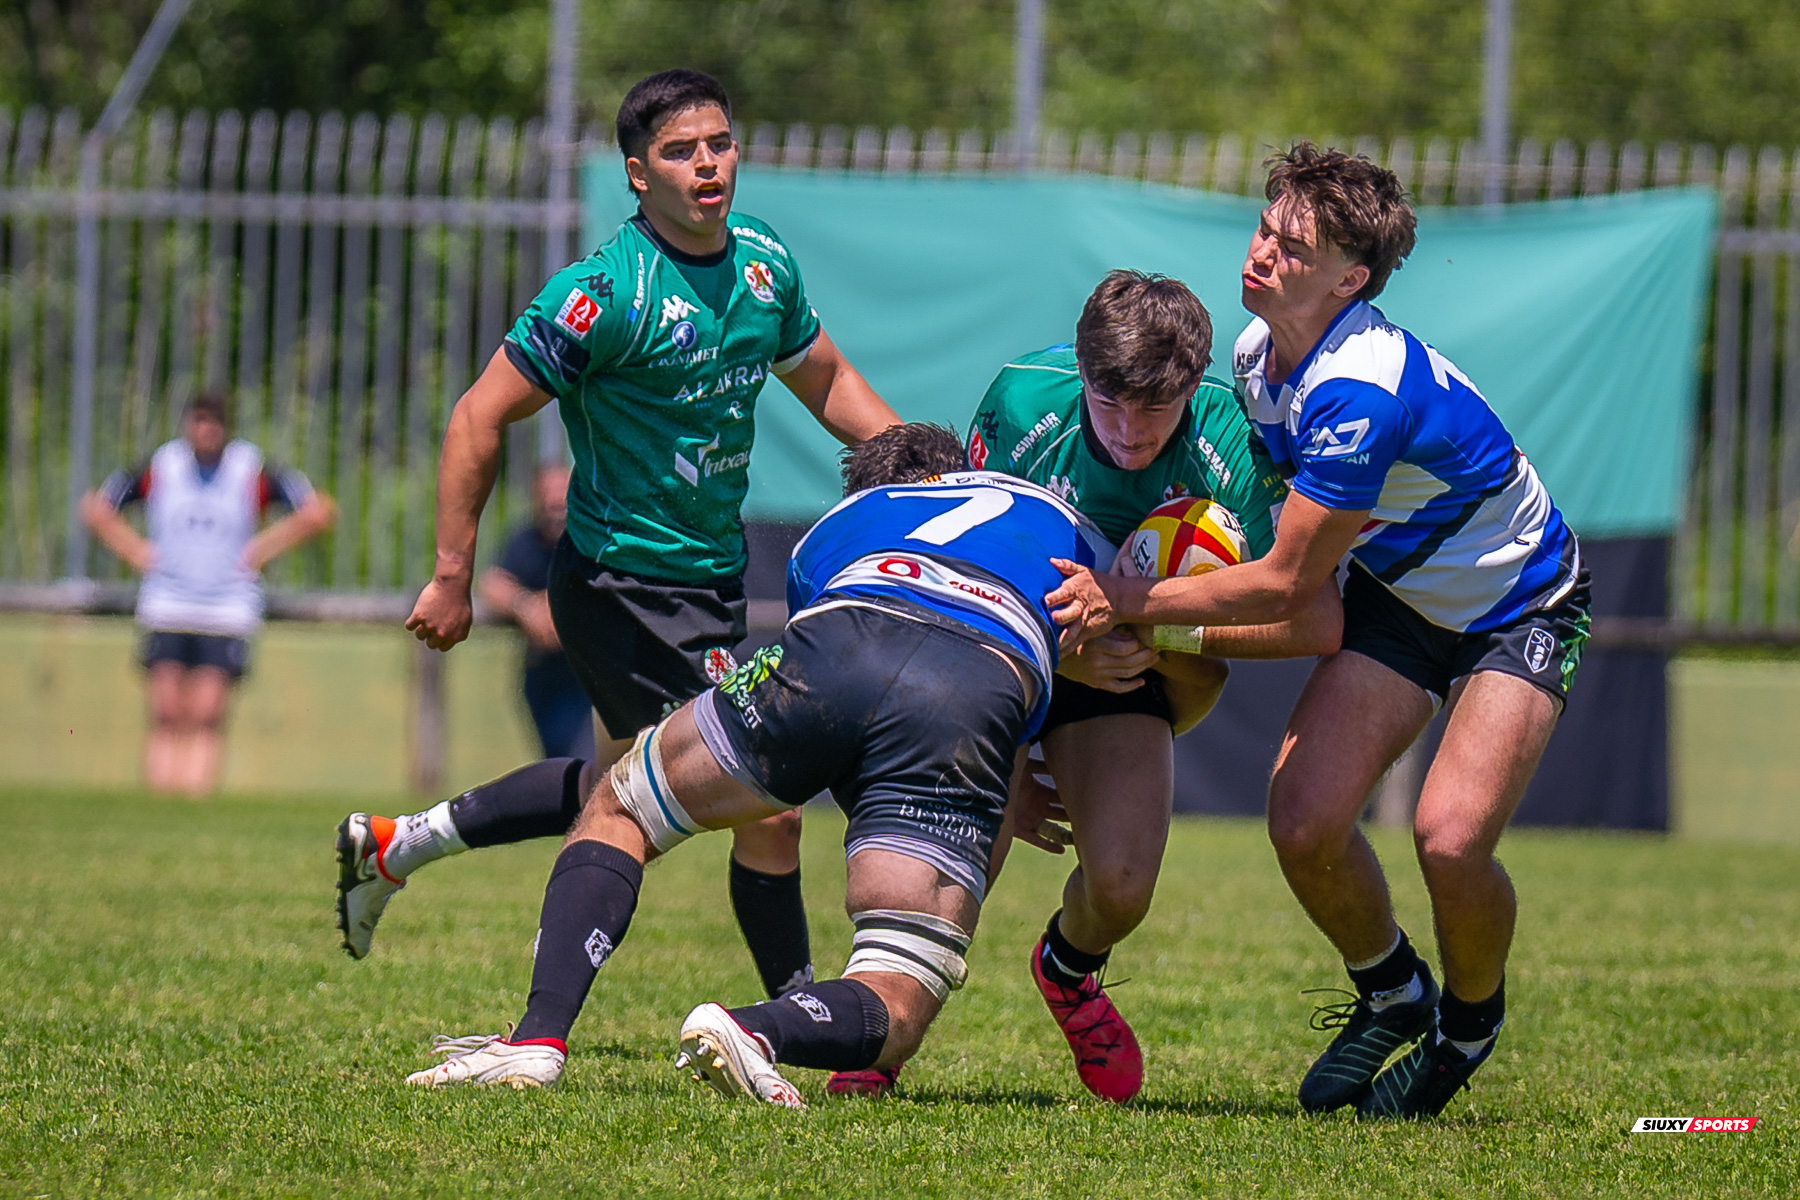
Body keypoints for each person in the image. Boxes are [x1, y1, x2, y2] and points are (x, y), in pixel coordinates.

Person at [334, 69, 899, 1019]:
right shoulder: (604, 292)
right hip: (621, 583)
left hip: (711, 574)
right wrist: (451, 576)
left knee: (617, 782)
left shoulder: (763, 266)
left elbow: (830, 379)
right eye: (681, 152)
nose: (707, 164)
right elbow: (477, 417)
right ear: (639, 175)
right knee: (764, 799)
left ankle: (396, 845)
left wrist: (920, 472)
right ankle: (792, 1019)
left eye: (718, 143)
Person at [1047, 143, 1590, 1119]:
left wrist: (1128, 602)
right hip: (1401, 595)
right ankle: (1391, 991)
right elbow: (1293, 570)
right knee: (1303, 823)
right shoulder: (1259, 359)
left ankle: (1466, 1026)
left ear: (1351, 280)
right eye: (1265, 228)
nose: (1261, 253)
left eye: (1292, 249)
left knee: (1450, 841)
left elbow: (1291, 581)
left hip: (1521, 602)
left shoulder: (1354, 393)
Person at [402, 423, 1111, 1099]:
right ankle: (753, 1028)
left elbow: (837, 671)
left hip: (841, 641)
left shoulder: (834, 531)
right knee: (898, 987)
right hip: (973, 691)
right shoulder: (1068, 524)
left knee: (622, 805)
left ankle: (537, 1039)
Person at [967, 269, 1341, 1102]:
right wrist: (1047, 683)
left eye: (1155, 409)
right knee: (960, 860)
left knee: (1123, 889)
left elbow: (1317, 623)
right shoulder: (1023, 401)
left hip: (1133, 665)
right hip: (1013, 656)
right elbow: (963, 581)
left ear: (1191, 385)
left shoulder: (1232, 440)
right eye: (1110, 404)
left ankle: (1067, 970)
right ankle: (875, 1028)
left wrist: (1139, 624)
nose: (1131, 433)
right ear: (1083, 370)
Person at [79, 393, 336, 795]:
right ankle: (161, 801)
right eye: (200, 421)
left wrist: (263, 548)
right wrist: (136, 551)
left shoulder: (251, 470)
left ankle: (194, 801)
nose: (207, 430)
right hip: (167, 604)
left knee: (206, 715)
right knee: (165, 713)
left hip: (226, 610)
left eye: (214, 422)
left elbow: (318, 510)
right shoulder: (162, 467)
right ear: (187, 425)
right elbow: (96, 508)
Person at [478, 463, 595, 760]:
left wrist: (563, 609)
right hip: (546, 678)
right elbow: (491, 582)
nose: (555, 503)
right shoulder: (527, 541)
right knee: (559, 764)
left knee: (586, 763)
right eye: (547, 496)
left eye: (562, 495)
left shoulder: (592, 541)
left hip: (592, 679)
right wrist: (525, 606)